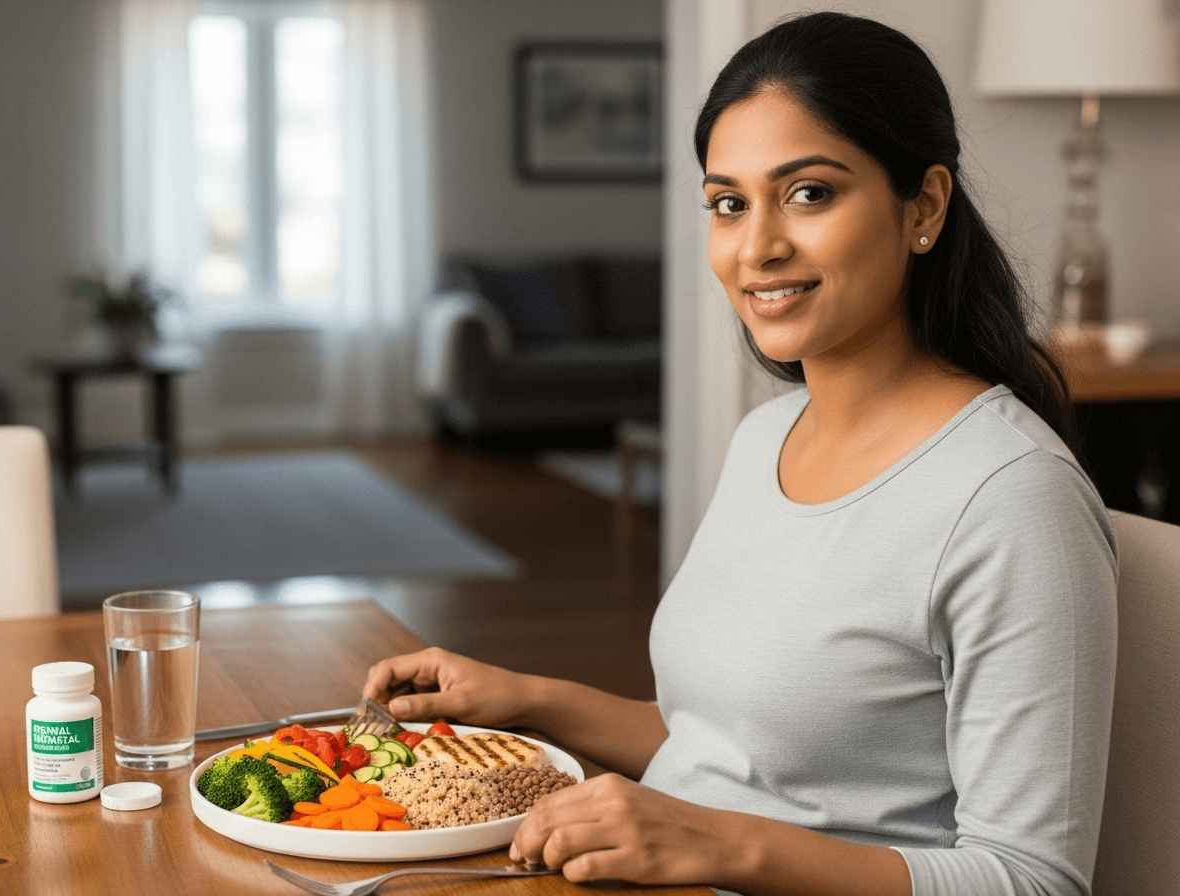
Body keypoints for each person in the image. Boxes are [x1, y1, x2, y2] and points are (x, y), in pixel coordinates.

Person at [363, 12, 1117, 896]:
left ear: (924, 206)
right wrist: (525, 698)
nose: (756, 247)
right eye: (729, 203)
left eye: (809, 194)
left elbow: (1032, 880)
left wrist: (725, 848)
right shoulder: (767, 437)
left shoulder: (1010, 499)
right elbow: (737, 752)